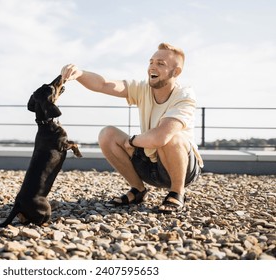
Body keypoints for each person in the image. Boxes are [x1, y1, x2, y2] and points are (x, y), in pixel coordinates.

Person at [60, 42, 204, 214]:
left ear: (176, 72)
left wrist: (132, 141)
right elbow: (103, 84)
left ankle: (177, 192)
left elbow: (160, 137)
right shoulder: (142, 88)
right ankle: (138, 190)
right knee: (108, 134)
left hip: (182, 168)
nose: (152, 66)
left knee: (172, 137)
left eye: (160, 64)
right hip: (151, 166)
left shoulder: (184, 95)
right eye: (151, 62)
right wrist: (80, 74)